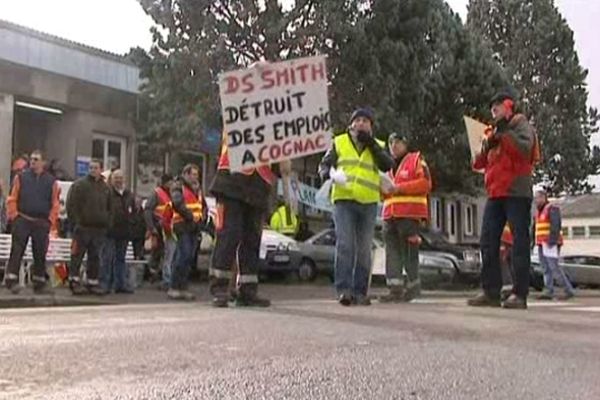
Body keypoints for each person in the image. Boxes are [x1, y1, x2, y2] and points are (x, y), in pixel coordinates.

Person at [468, 91, 539, 310]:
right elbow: (478, 164)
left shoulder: (520, 125)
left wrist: (504, 135)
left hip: (516, 192)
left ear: (508, 106)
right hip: (495, 193)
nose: (494, 111)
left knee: (519, 242)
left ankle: (520, 293)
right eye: (492, 109)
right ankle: (491, 291)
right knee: (488, 241)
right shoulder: (493, 133)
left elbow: (524, 150)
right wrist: (486, 146)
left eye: (497, 107)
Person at [318, 107, 394, 306]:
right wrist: (329, 174)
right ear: (351, 124)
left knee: (363, 249)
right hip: (344, 201)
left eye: (365, 120)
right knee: (345, 245)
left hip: (368, 203)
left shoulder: (378, 144)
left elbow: (387, 164)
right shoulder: (339, 142)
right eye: (357, 120)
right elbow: (323, 166)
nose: (361, 123)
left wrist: (371, 144)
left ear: (371, 126)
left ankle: (360, 292)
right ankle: (343, 290)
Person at [209, 138, 286, 308]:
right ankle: (220, 287)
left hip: (258, 188)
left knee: (252, 240)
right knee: (229, 235)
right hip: (231, 181)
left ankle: (248, 289)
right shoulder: (239, 112)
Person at [378, 133, 432, 303]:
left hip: (409, 214)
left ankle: (413, 287)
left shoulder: (416, 159)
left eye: (398, 142)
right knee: (392, 252)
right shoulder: (387, 166)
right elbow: (383, 194)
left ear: (405, 144)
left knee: (409, 251)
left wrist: (398, 188)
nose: (394, 146)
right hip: (389, 215)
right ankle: (395, 289)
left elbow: (426, 184)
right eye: (391, 142)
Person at [4, 150, 60, 294]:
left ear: (43, 162)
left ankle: (39, 282)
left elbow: (55, 202)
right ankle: (11, 280)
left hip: (41, 222)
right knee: (17, 250)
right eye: (32, 159)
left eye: (36, 159)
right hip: (22, 219)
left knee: (40, 252)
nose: (33, 162)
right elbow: (12, 198)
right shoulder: (21, 177)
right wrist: (14, 216)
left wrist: (50, 221)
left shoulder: (51, 181)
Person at [66, 159, 112, 296]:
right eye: (91, 167)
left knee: (95, 256)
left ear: (100, 169)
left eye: (95, 167)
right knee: (77, 255)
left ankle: (92, 282)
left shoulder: (105, 188)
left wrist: (107, 223)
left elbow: (110, 208)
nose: (93, 170)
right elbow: (71, 205)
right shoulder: (79, 185)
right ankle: (74, 281)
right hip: (82, 228)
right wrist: (77, 222)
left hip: (99, 229)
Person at [168, 164, 207, 301]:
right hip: (183, 225)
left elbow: (203, 206)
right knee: (183, 256)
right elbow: (177, 203)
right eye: (193, 174)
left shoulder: (198, 189)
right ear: (186, 174)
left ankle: (182, 287)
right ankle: (175, 286)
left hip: (193, 227)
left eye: (197, 174)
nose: (195, 177)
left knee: (188, 257)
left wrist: (202, 219)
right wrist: (190, 216)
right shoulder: (178, 186)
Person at [534, 190, 573, 300]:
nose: (536, 201)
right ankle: (548, 290)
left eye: (538, 198)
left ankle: (567, 290)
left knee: (554, 267)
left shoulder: (551, 208)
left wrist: (552, 240)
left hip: (550, 242)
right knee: (545, 268)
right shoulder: (539, 211)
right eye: (535, 198)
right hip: (542, 243)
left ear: (544, 198)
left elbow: (556, 225)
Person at [101, 170, 135, 294]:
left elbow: (134, 211)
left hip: (124, 232)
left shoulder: (129, 194)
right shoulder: (107, 193)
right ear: (111, 179)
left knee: (121, 259)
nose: (118, 180)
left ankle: (120, 284)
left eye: (120, 178)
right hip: (110, 232)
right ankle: (105, 284)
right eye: (116, 178)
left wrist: (131, 223)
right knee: (107, 258)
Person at [144, 174, 175, 291]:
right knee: (159, 253)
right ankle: (158, 276)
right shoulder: (157, 193)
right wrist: (151, 228)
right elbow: (148, 210)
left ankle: (160, 276)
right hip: (159, 227)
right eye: (170, 182)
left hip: (169, 228)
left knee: (166, 254)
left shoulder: (173, 194)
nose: (172, 184)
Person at [500, 223, 515, 300]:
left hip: (506, 239)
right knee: (508, 265)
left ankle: (508, 289)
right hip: (508, 239)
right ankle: (509, 289)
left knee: (505, 264)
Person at [130, 196, 146, 260]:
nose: (137, 204)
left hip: (141, 233)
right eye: (136, 202)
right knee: (135, 245)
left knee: (139, 245)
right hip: (133, 233)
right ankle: (136, 256)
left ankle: (139, 255)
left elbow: (145, 222)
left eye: (139, 202)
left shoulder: (143, 212)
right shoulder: (131, 212)